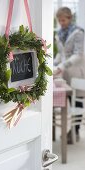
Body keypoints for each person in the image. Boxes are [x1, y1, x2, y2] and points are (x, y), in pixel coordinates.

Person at [54, 7, 85, 143]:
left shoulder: (78, 33)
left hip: (77, 71)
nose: (62, 23)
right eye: (59, 20)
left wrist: (62, 65)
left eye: (64, 20)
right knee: (67, 100)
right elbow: (61, 53)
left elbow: (78, 54)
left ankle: (75, 131)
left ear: (70, 18)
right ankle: (70, 130)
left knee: (77, 100)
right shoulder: (59, 33)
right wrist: (54, 63)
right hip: (65, 73)